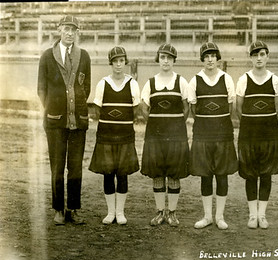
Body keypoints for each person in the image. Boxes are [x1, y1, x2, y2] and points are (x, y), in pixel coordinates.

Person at [37, 15, 91, 225]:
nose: (70, 33)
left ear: (77, 32)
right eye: (66, 29)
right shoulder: (47, 56)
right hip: (55, 121)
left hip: (78, 121)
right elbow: (41, 89)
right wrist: (54, 108)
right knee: (57, 166)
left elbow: (85, 87)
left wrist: (75, 108)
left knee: (75, 167)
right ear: (59, 30)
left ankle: (73, 209)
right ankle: (59, 208)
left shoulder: (83, 56)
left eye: (73, 29)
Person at [187, 42, 238, 230]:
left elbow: (230, 107)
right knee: (206, 176)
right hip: (203, 134)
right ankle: (207, 216)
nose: (210, 60)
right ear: (202, 59)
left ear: (218, 58)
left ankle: (220, 216)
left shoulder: (226, 79)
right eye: (206, 56)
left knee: (222, 175)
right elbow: (193, 109)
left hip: (223, 134)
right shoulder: (195, 81)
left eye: (213, 56)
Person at [140, 43, 191, 227]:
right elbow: (144, 108)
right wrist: (157, 123)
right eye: (163, 57)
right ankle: (160, 212)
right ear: (158, 59)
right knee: (158, 173)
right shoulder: (150, 82)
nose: (166, 61)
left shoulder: (181, 81)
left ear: (174, 60)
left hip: (176, 136)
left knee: (174, 173)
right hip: (155, 135)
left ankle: (172, 213)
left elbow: (186, 108)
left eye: (169, 58)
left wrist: (175, 123)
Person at [235, 41, 278, 229]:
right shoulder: (244, 80)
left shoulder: (275, 79)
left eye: (262, 54)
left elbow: (276, 106)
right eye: (255, 55)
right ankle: (252, 214)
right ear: (250, 58)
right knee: (250, 174)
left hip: (269, 133)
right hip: (249, 133)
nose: (259, 58)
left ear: (267, 57)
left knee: (266, 174)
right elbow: (238, 108)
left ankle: (262, 215)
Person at [89, 46, 140, 225]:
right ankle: (110, 212)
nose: (118, 65)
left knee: (123, 174)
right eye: (115, 61)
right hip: (106, 136)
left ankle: (120, 212)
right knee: (108, 174)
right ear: (110, 63)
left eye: (121, 61)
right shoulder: (103, 83)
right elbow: (96, 110)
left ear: (125, 62)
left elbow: (135, 110)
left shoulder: (132, 83)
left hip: (125, 135)